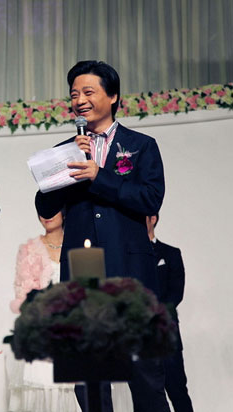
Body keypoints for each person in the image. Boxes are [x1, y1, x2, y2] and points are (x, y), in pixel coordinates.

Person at [35, 60, 168, 412]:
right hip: (82, 271)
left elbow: (150, 198)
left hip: (131, 269)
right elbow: (46, 207)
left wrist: (99, 175)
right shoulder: (65, 151)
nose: (79, 100)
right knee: (89, 376)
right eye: (74, 94)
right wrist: (61, 171)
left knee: (145, 372)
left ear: (112, 97)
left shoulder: (141, 146)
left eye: (88, 92)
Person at [8, 211, 80, 412]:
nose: (46, 215)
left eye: (53, 208)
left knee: (75, 393)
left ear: (64, 212)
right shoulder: (30, 250)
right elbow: (23, 296)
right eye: (42, 210)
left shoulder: (77, 244)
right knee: (41, 390)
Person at [147, 214, 194, 412]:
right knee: (146, 396)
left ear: (153, 218)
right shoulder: (126, 258)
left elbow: (176, 293)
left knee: (177, 390)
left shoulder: (171, 253)